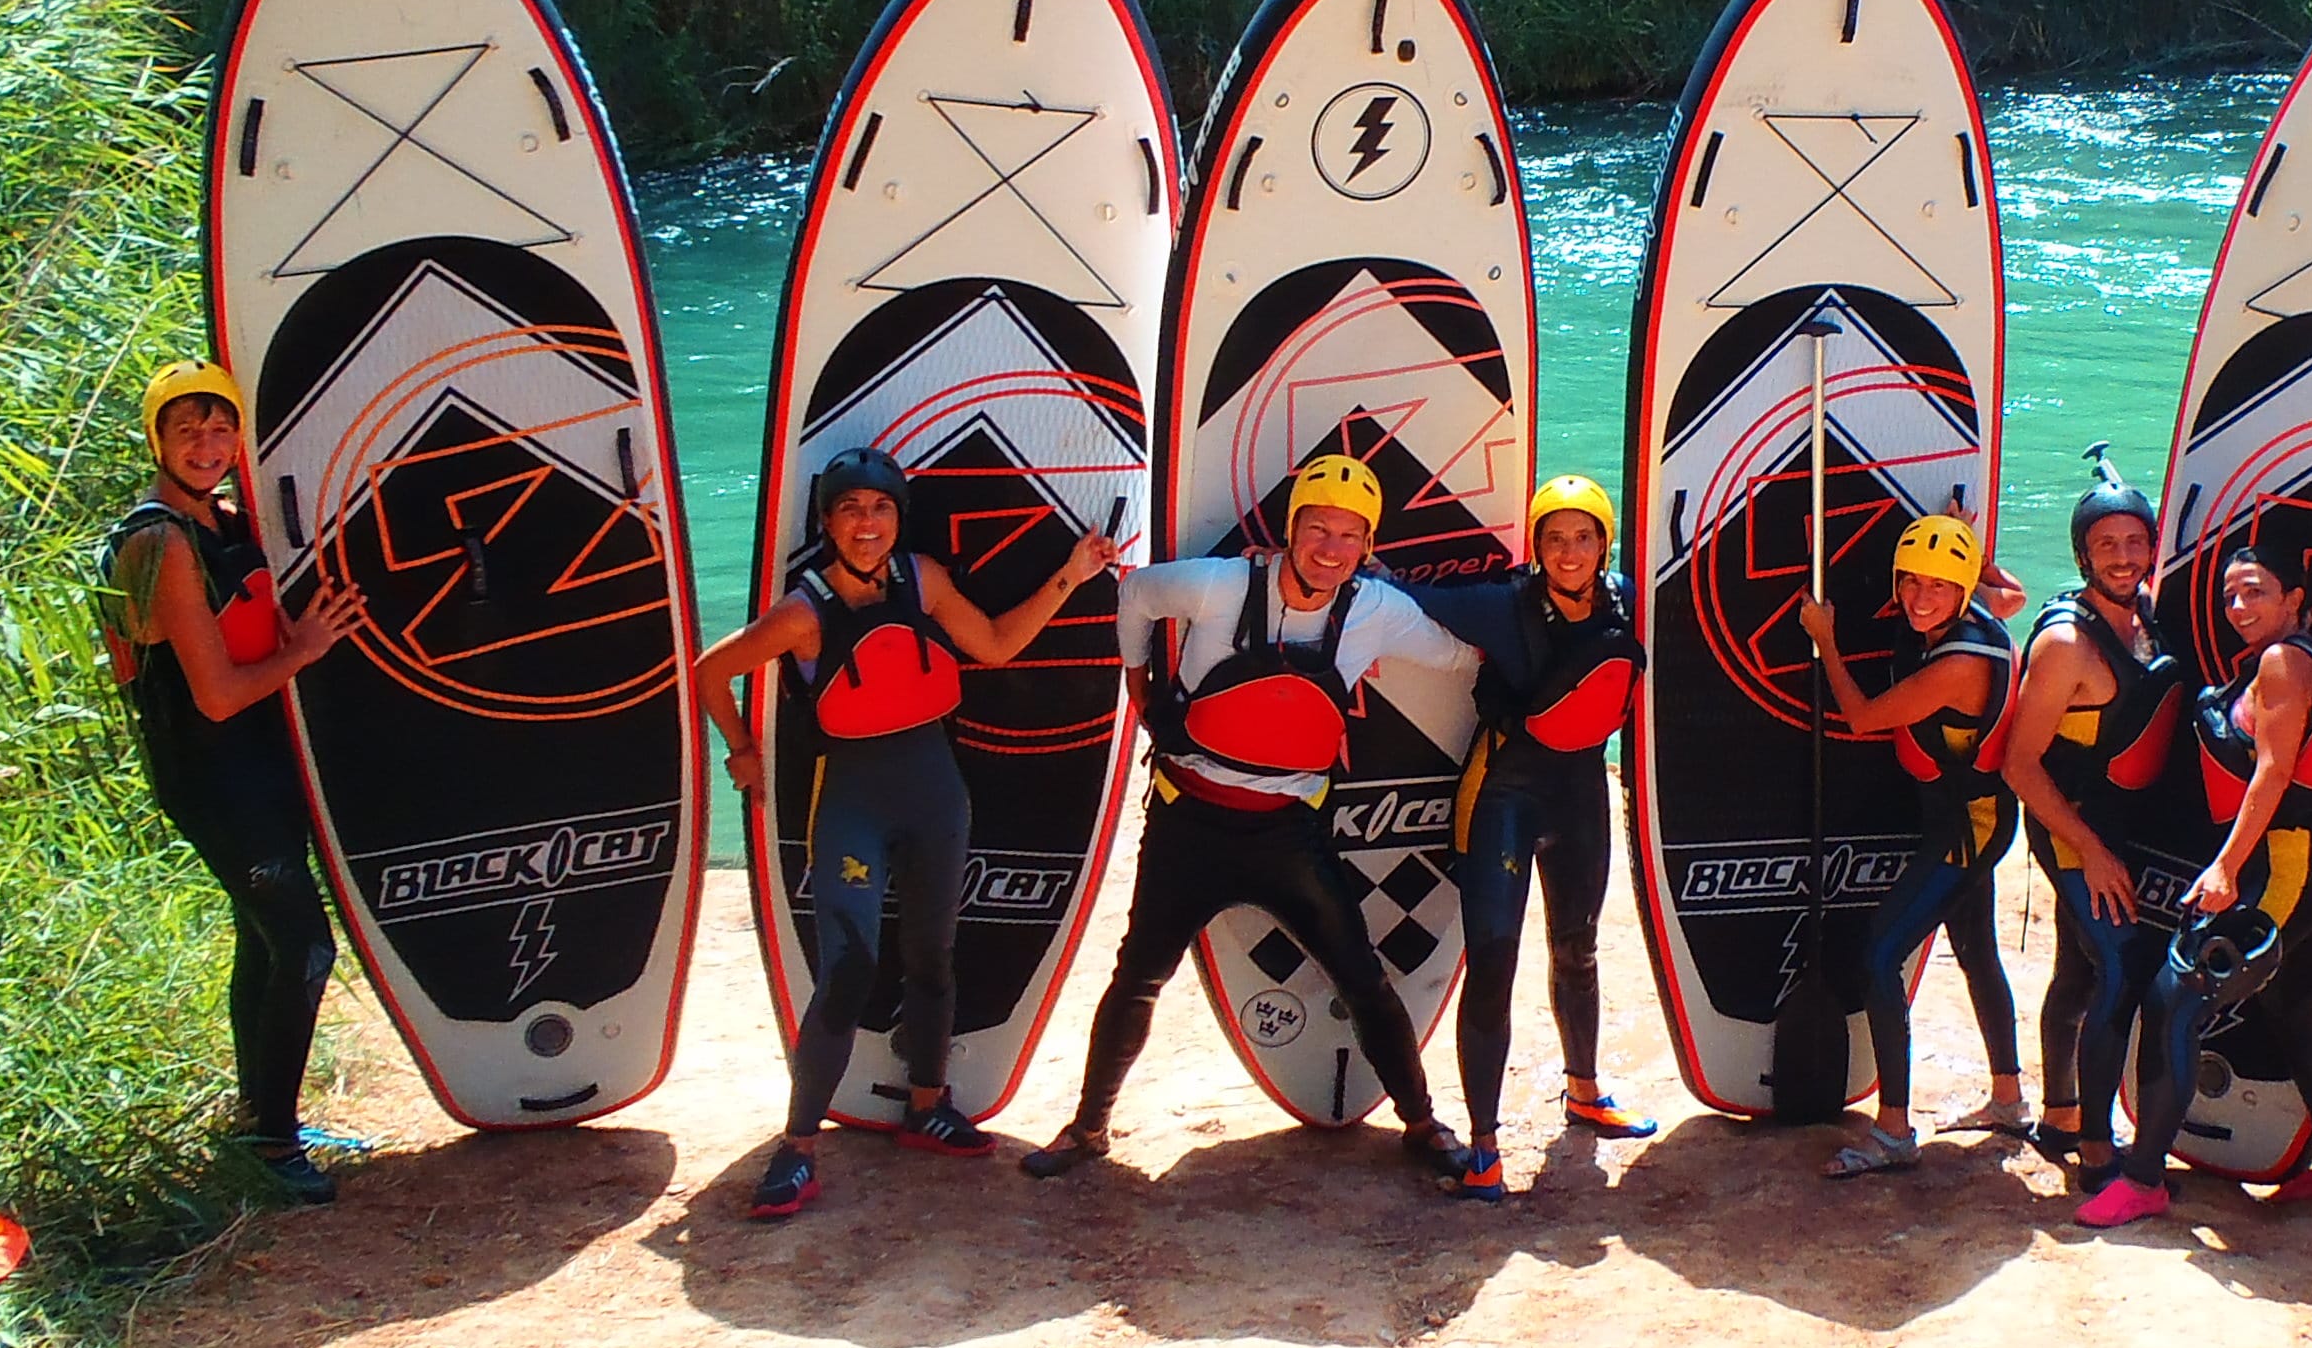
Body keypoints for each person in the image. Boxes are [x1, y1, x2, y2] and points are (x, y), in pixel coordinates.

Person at [1022, 452, 1489, 1189]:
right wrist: (1142, 694)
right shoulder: (1221, 584)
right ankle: (1088, 1126)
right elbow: (1138, 594)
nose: (1330, 550)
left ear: (1368, 546)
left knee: (1362, 978)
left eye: (1349, 536)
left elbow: (1461, 658)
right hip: (1188, 824)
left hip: (1288, 835)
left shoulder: (1376, 609)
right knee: (1138, 976)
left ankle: (1422, 1123)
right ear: (1288, 530)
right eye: (1317, 529)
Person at [691, 448, 1111, 1222]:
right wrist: (743, 750)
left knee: (933, 956)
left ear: (897, 517)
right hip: (852, 799)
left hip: (935, 793)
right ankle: (797, 1148)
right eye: (849, 508)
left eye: (879, 508)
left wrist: (1072, 574)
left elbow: (994, 645)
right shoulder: (805, 611)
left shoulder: (924, 580)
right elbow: (710, 670)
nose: (866, 523)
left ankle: (927, 1105)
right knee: (848, 969)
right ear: (826, 521)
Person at [98, 360, 368, 1206]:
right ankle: (275, 1143)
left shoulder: (219, 522)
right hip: (213, 770)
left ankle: (261, 1120)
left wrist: (303, 630)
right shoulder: (160, 541)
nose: (208, 446)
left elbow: (251, 625)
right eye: (188, 431)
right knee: (305, 945)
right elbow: (214, 695)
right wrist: (306, 651)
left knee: (264, 939)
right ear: (158, 440)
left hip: (252, 764)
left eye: (220, 429)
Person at [2072, 539, 2312, 1227]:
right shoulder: (2298, 660)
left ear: (2294, 599)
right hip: (2304, 854)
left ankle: (2144, 1178)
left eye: (2256, 592)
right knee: (2296, 1009)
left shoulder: (2283, 662)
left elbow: (2272, 771)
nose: (2239, 606)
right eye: (2231, 594)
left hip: (2284, 858)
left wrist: (2228, 866)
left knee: (2173, 1000)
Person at [1426, 473, 1663, 1203]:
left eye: (1583, 536)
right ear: (1536, 546)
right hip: (1503, 794)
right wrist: (1356, 564)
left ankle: (1585, 1093)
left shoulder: (1626, 597)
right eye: (1554, 538)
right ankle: (1485, 1146)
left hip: (1581, 793)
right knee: (1493, 962)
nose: (1569, 552)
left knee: (1577, 947)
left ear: (1604, 542)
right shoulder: (1504, 607)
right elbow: (1411, 599)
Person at [1796, 512, 2024, 1177]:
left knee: (1880, 954)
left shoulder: (1957, 664)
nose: (1922, 600)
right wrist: (1973, 560)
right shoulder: (1980, 609)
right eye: (1912, 584)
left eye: (1940, 587)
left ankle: (1893, 1129)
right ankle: (2008, 1100)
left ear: (1959, 594)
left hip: (1967, 827)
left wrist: (1826, 640)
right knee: (1978, 952)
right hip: (1962, 816)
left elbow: (1865, 717)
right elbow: (2011, 596)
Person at [1992, 451, 2192, 1168]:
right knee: (2120, 965)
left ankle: (2059, 1117)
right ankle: (2099, 1151)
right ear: (2083, 554)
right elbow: (2019, 763)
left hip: (2123, 824)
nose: (2123, 555)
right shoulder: (2066, 644)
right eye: (2106, 544)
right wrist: (2094, 852)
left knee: (2077, 971)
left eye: (2134, 541)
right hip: (2073, 826)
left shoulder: (2147, 618)